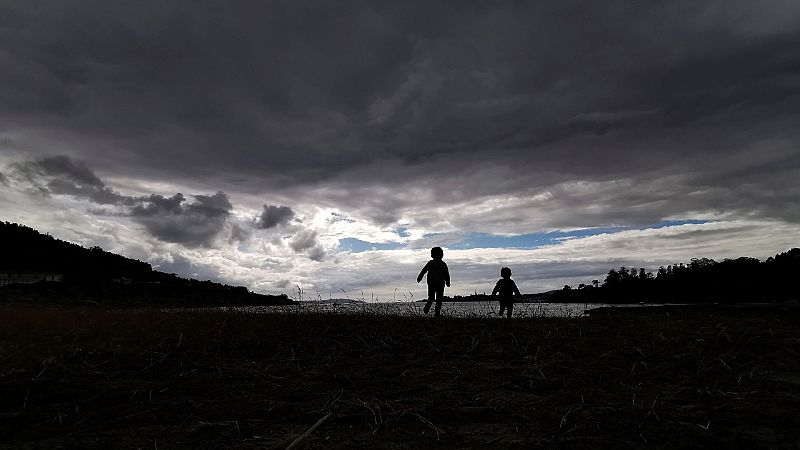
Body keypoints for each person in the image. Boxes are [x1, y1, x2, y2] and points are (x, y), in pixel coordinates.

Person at [417, 247, 450, 317]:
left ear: (432, 255)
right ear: (441, 255)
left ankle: (428, 309)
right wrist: (448, 282)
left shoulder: (431, 263)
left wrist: (420, 277)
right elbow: (446, 274)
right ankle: (436, 313)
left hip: (432, 282)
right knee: (439, 299)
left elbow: (423, 271)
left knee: (432, 297)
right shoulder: (442, 264)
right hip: (439, 283)